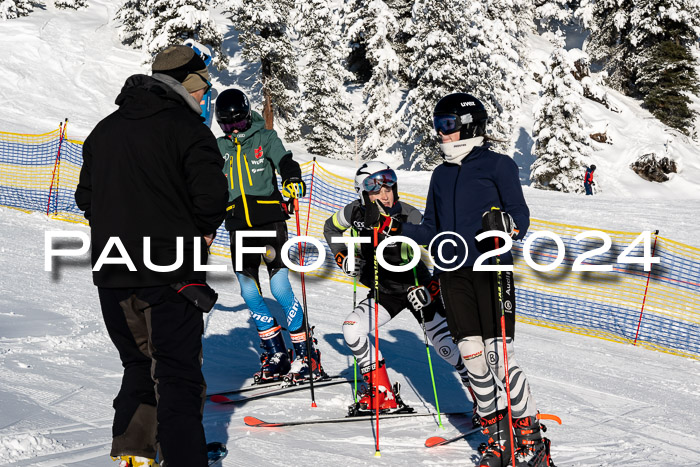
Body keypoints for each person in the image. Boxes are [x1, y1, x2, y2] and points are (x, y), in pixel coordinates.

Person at [365, 94, 553, 466]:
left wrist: (507, 225)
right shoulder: (441, 173)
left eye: (447, 125)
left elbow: (520, 215)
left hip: (491, 271)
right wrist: (397, 227)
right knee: (473, 359)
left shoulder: (498, 166)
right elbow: (432, 229)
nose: (441, 133)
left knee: (500, 358)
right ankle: (498, 440)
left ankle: (530, 440)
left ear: (469, 125)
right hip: (451, 275)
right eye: (438, 126)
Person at [75, 45, 228, 467]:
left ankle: (133, 452)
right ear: (186, 86)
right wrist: (195, 233)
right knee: (177, 376)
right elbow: (212, 200)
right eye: (202, 92)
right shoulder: (189, 130)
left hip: (113, 275)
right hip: (171, 277)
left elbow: (85, 196)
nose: (204, 100)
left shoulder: (104, 130)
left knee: (138, 365)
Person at [324, 161, 477, 418]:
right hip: (385, 292)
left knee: (446, 349)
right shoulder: (354, 213)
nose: (385, 195)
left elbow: (445, 248)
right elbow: (330, 228)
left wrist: (433, 285)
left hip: (418, 290)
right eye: (376, 190)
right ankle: (381, 394)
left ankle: (483, 399)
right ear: (362, 194)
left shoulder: (408, 215)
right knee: (352, 328)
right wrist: (343, 257)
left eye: (389, 188)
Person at [214, 88, 322, 383]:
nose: (234, 130)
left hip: (269, 223)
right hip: (238, 226)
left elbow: (286, 161)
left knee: (279, 288)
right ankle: (276, 352)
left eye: (238, 123)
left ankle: (305, 352)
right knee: (249, 291)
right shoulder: (218, 148)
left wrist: (292, 179)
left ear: (249, 117)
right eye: (227, 125)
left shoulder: (265, 138)